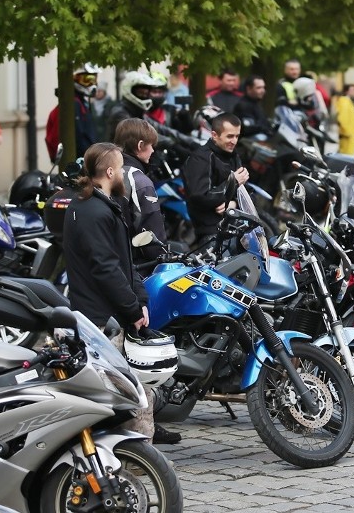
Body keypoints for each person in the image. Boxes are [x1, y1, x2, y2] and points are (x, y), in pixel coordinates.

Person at [62, 142, 180, 444]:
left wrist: (138, 299)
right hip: (101, 320)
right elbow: (106, 269)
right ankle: (135, 458)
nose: (126, 176)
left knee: (137, 394)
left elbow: (123, 262)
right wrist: (131, 308)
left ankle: (132, 455)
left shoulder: (99, 205)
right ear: (110, 171)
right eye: (122, 170)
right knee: (134, 395)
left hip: (107, 315)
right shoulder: (91, 211)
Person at [182, 112, 249, 244]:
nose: (234, 141)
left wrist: (234, 204)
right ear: (214, 135)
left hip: (236, 228)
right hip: (211, 234)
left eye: (237, 136)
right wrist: (233, 182)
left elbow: (247, 192)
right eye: (229, 136)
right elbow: (199, 196)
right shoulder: (200, 158)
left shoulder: (233, 155)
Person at [112, 118, 167, 267]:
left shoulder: (109, 172)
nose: (153, 150)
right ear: (140, 146)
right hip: (136, 267)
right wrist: (164, 259)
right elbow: (151, 232)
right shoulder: (140, 182)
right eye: (151, 145)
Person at [45, 63, 100, 160]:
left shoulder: (81, 102)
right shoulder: (74, 104)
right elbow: (79, 138)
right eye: (86, 80)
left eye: (93, 80)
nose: (92, 84)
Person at [335, 83, 354, 155]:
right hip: (347, 135)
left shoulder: (348, 101)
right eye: (352, 90)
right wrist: (346, 132)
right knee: (346, 155)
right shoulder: (344, 101)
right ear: (346, 91)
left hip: (350, 134)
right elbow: (342, 118)